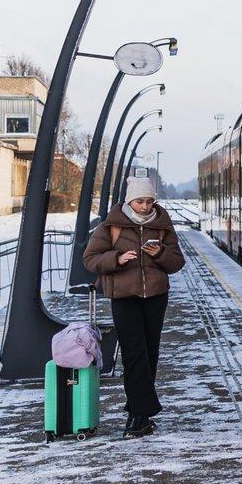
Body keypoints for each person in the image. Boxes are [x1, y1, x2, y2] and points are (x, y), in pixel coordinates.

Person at [80, 171, 186, 438]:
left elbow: (177, 263)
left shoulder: (162, 225)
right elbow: (90, 259)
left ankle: (139, 410)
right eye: (140, 202)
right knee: (133, 353)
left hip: (155, 297)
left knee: (150, 354)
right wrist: (116, 258)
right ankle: (138, 415)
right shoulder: (112, 225)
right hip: (124, 298)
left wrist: (160, 253)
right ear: (129, 202)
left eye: (149, 201)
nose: (146, 207)